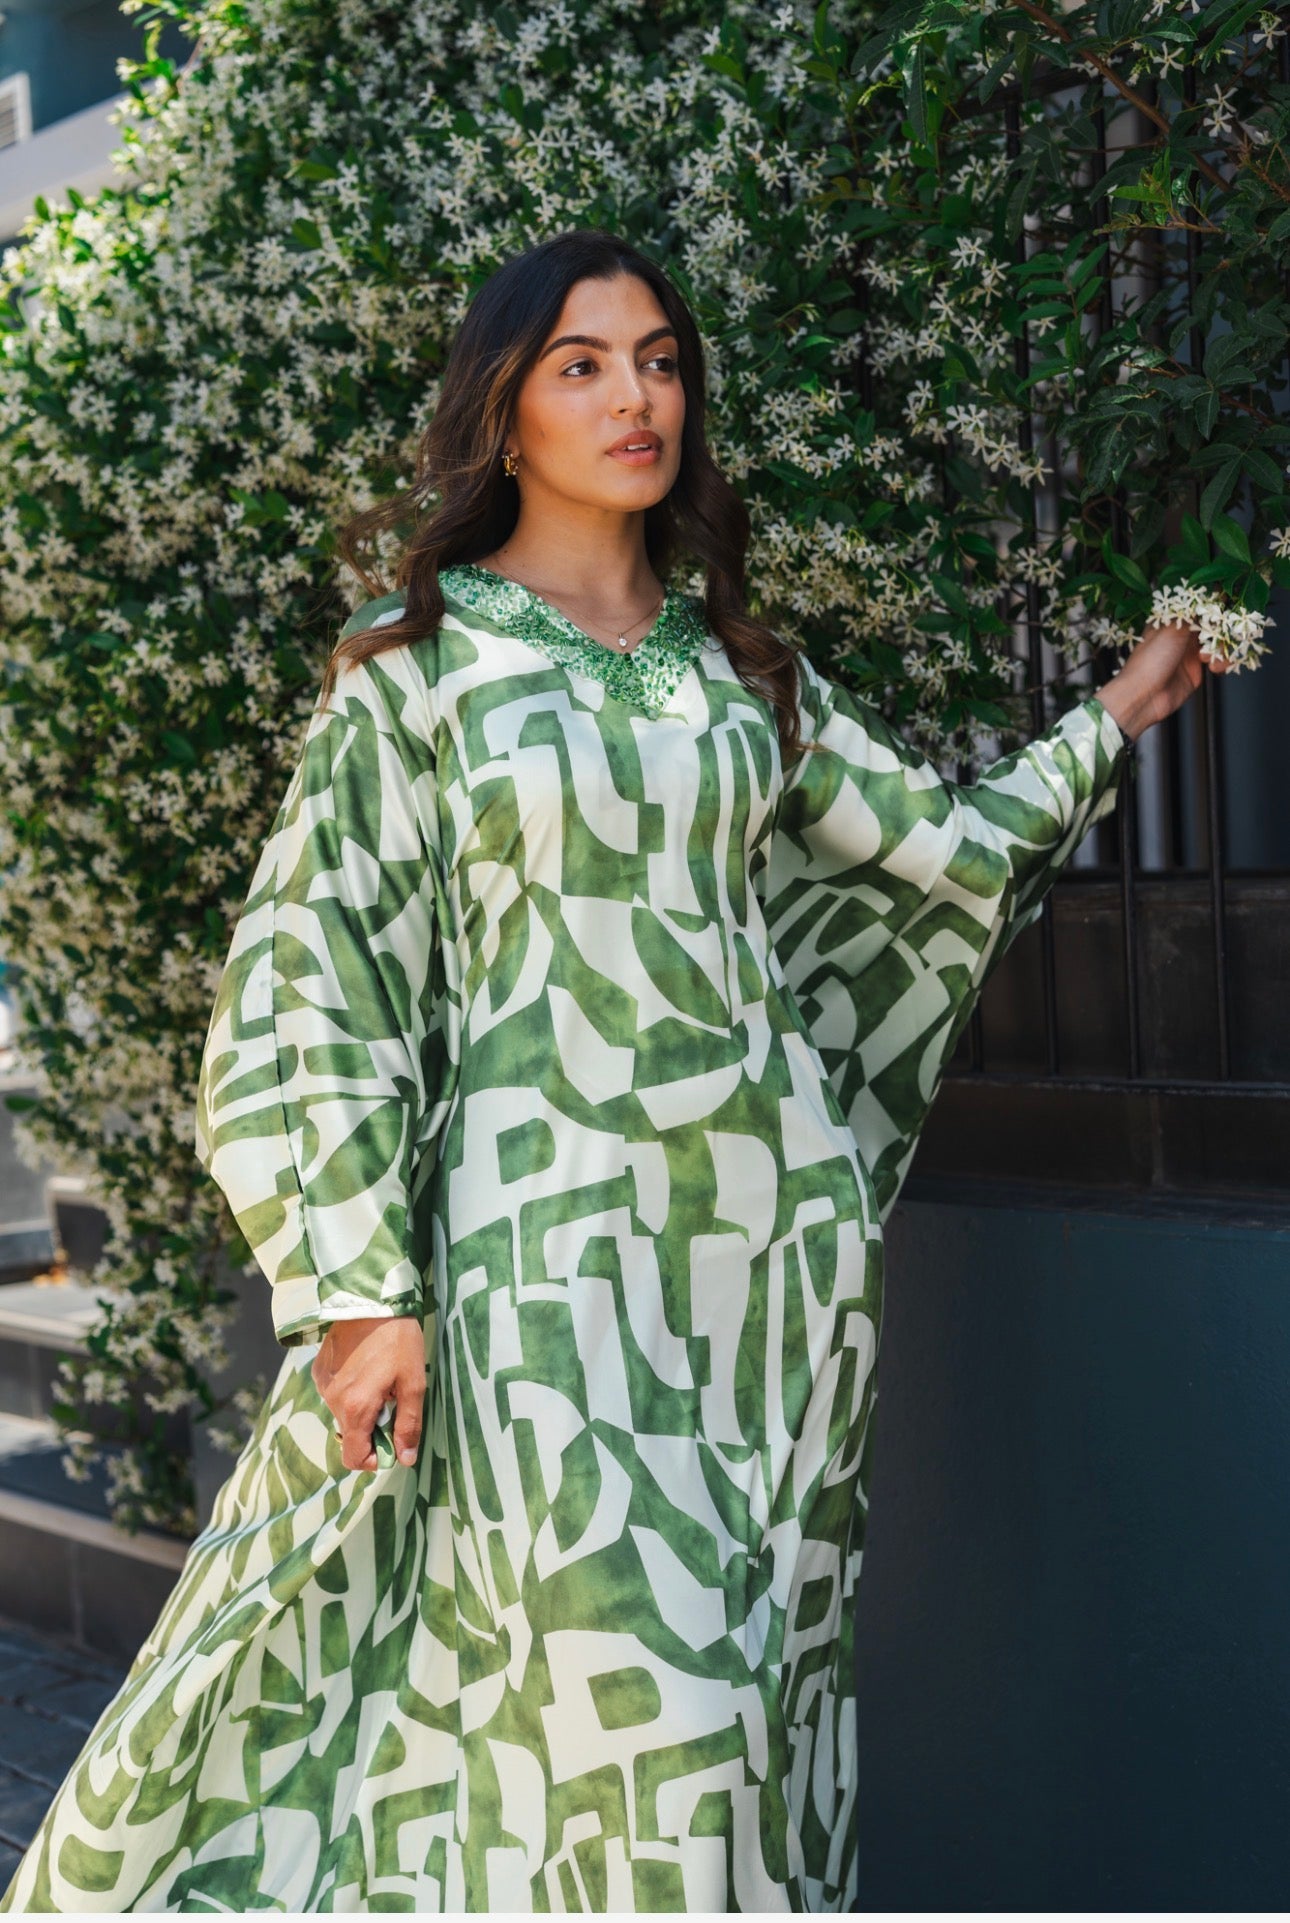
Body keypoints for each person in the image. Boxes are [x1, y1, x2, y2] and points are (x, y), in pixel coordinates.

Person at [0, 228, 1226, 1916]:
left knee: (745, 1712)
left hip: (769, 1278)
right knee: (628, 1711)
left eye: (657, 360)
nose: (632, 396)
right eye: (580, 365)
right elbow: (313, 968)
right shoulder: (415, 666)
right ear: (503, 413)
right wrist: (356, 1283)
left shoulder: (741, 665)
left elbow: (939, 855)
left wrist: (1117, 712)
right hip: (535, 1265)